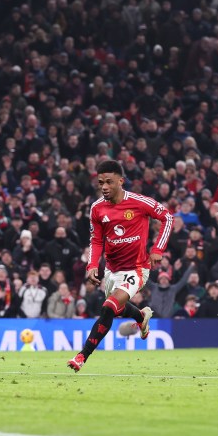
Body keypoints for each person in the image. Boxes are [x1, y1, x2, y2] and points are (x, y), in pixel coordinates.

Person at [68, 159, 171, 372]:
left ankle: (81, 356)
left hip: (137, 268)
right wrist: (92, 265)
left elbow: (167, 218)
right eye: (101, 183)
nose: (104, 187)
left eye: (109, 182)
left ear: (121, 181)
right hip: (112, 271)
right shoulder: (97, 209)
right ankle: (141, 316)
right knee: (116, 309)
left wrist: (157, 249)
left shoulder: (139, 202)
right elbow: (96, 240)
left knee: (108, 307)